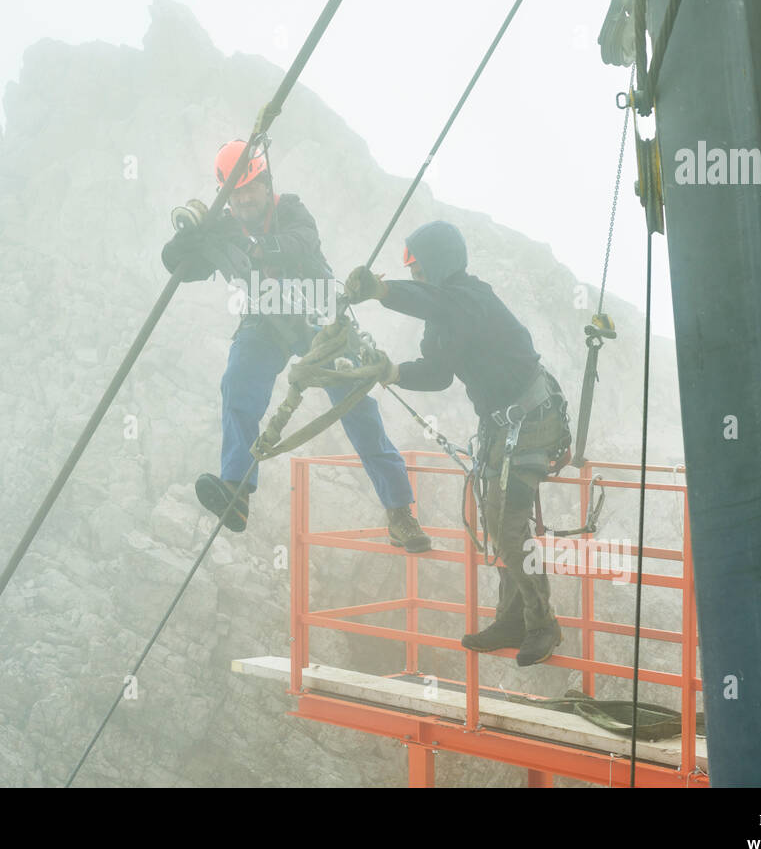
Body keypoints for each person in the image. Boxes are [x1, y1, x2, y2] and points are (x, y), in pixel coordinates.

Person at [161, 139, 430, 552]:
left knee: (356, 406)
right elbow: (185, 264)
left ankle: (399, 510)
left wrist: (251, 245)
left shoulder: (291, 210)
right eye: (237, 193)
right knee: (239, 383)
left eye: (251, 189)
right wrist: (187, 243)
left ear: (267, 185)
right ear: (228, 197)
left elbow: (302, 241)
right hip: (267, 319)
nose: (245, 198)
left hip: (318, 315)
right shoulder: (226, 228)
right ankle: (236, 490)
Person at [344, 220, 571, 666]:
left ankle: (543, 623)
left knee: (508, 526)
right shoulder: (442, 314)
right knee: (497, 520)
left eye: (420, 269)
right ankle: (513, 618)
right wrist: (394, 373)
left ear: (440, 265)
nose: (415, 277)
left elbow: (439, 304)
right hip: (501, 427)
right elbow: (438, 372)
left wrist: (382, 292)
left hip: (532, 423)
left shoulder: (471, 298)